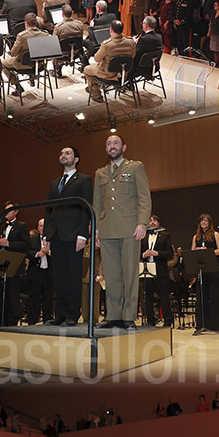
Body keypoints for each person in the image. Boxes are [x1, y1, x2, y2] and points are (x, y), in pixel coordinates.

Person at [93, 132, 151, 329]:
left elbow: (144, 197)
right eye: (109, 143)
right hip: (107, 230)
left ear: (123, 147)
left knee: (130, 275)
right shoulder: (100, 173)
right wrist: (96, 232)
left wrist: (143, 223)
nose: (112, 145)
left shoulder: (135, 167)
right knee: (111, 276)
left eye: (116, 142)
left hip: (129, 229)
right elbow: (97, 204)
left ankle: (128, 316)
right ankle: (114, 316)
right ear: (106, 149)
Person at [44, 146, 93, 326]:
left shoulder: (84, 180)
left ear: (76, 159)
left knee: (73, 275)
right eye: (62, 153)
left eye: (68, 153)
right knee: (60, 276)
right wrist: (46, 236)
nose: (63, 155)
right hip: (55, 235)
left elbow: (86, 208)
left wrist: (82, 234)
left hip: (74, 235)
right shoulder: (54, 182)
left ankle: (73, 313)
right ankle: (60, 314)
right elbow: (49, 209)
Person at [83, 19, 136, 103]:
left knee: (86, 70)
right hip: (123, 74)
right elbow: (133, 56)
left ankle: (96, 94)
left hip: (107, 74)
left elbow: (97, 59)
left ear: (111, 30)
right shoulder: (131, 42)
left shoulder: (107, 44)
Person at [0, 202, 30, 327]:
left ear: (16, 211)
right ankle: (2, 321)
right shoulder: (0, 225)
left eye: (10, 210)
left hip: (14, 264)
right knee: (1, 294)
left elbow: (26, 244)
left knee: (12, 295)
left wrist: (9, 243)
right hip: (1, 263)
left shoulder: (22, 226)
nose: (7, 212)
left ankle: (12, 322)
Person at [191, 213, 219, 332]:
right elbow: (192, 251)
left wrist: (208, 252)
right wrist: (198, 251)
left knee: (214, 296)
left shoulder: (215, 234)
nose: (204, 222)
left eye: (206, 221)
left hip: (213, 269)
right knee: (201, 296)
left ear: (209, 223)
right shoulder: (196, 237)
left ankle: (215, 325)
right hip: (202, 270)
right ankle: (201, 324)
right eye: (202, 221)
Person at [140, 214, 174, 327]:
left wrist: (157, 253)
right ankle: (150, 320)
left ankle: (168, 320)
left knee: (164, 296)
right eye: (150, 220)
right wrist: (144, 254)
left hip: (160, 269)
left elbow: (170, 253)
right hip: (147, 269)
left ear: (159, 223)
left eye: (155, 220)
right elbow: (138, 254)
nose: (152, 222)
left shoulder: (165, 235)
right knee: (147, 296)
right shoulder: (143, 236)